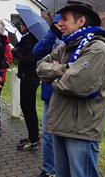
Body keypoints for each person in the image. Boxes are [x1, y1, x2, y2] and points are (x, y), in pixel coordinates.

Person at [36, 0, 105, 177]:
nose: (59, 24)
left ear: (81, 21)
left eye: (64, 19)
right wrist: (64, 69)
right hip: (60, 125)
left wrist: (52, 80)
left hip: (81, 131)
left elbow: (76, 85)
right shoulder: (66, 47)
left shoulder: (97, 49)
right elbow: (40, 66)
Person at [33, 14, 64, 177]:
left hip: (64, 96)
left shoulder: (72, 41)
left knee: (61, 138)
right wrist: (52, 33)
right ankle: (48, 169)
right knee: (46, 135)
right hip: (48, 95)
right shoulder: (50, 37)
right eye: (58, 23)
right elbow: (37, 53)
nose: (61, 25)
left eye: (63, 22)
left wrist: (54, 68)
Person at [12, 17, 40, 150]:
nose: (20, 27)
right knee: (26, 107)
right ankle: (32, 135)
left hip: (31, 77)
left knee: (29, 108)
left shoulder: (33, 40)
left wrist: (16, 52)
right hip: (26, 76)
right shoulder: (26, 39)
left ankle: (34, 139)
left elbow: (29, 59)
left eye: (22, 25)